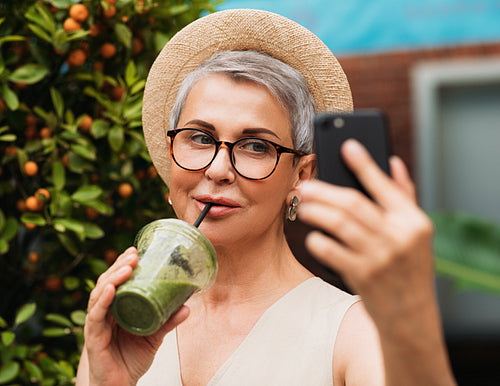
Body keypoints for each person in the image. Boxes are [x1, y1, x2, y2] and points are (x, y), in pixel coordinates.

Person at [76, 9, 456, 386]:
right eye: (201, 138)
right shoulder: (127, 321)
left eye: (255, 146)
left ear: (301, 176)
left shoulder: (353, 333)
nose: (218, 169)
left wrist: (412, 312)